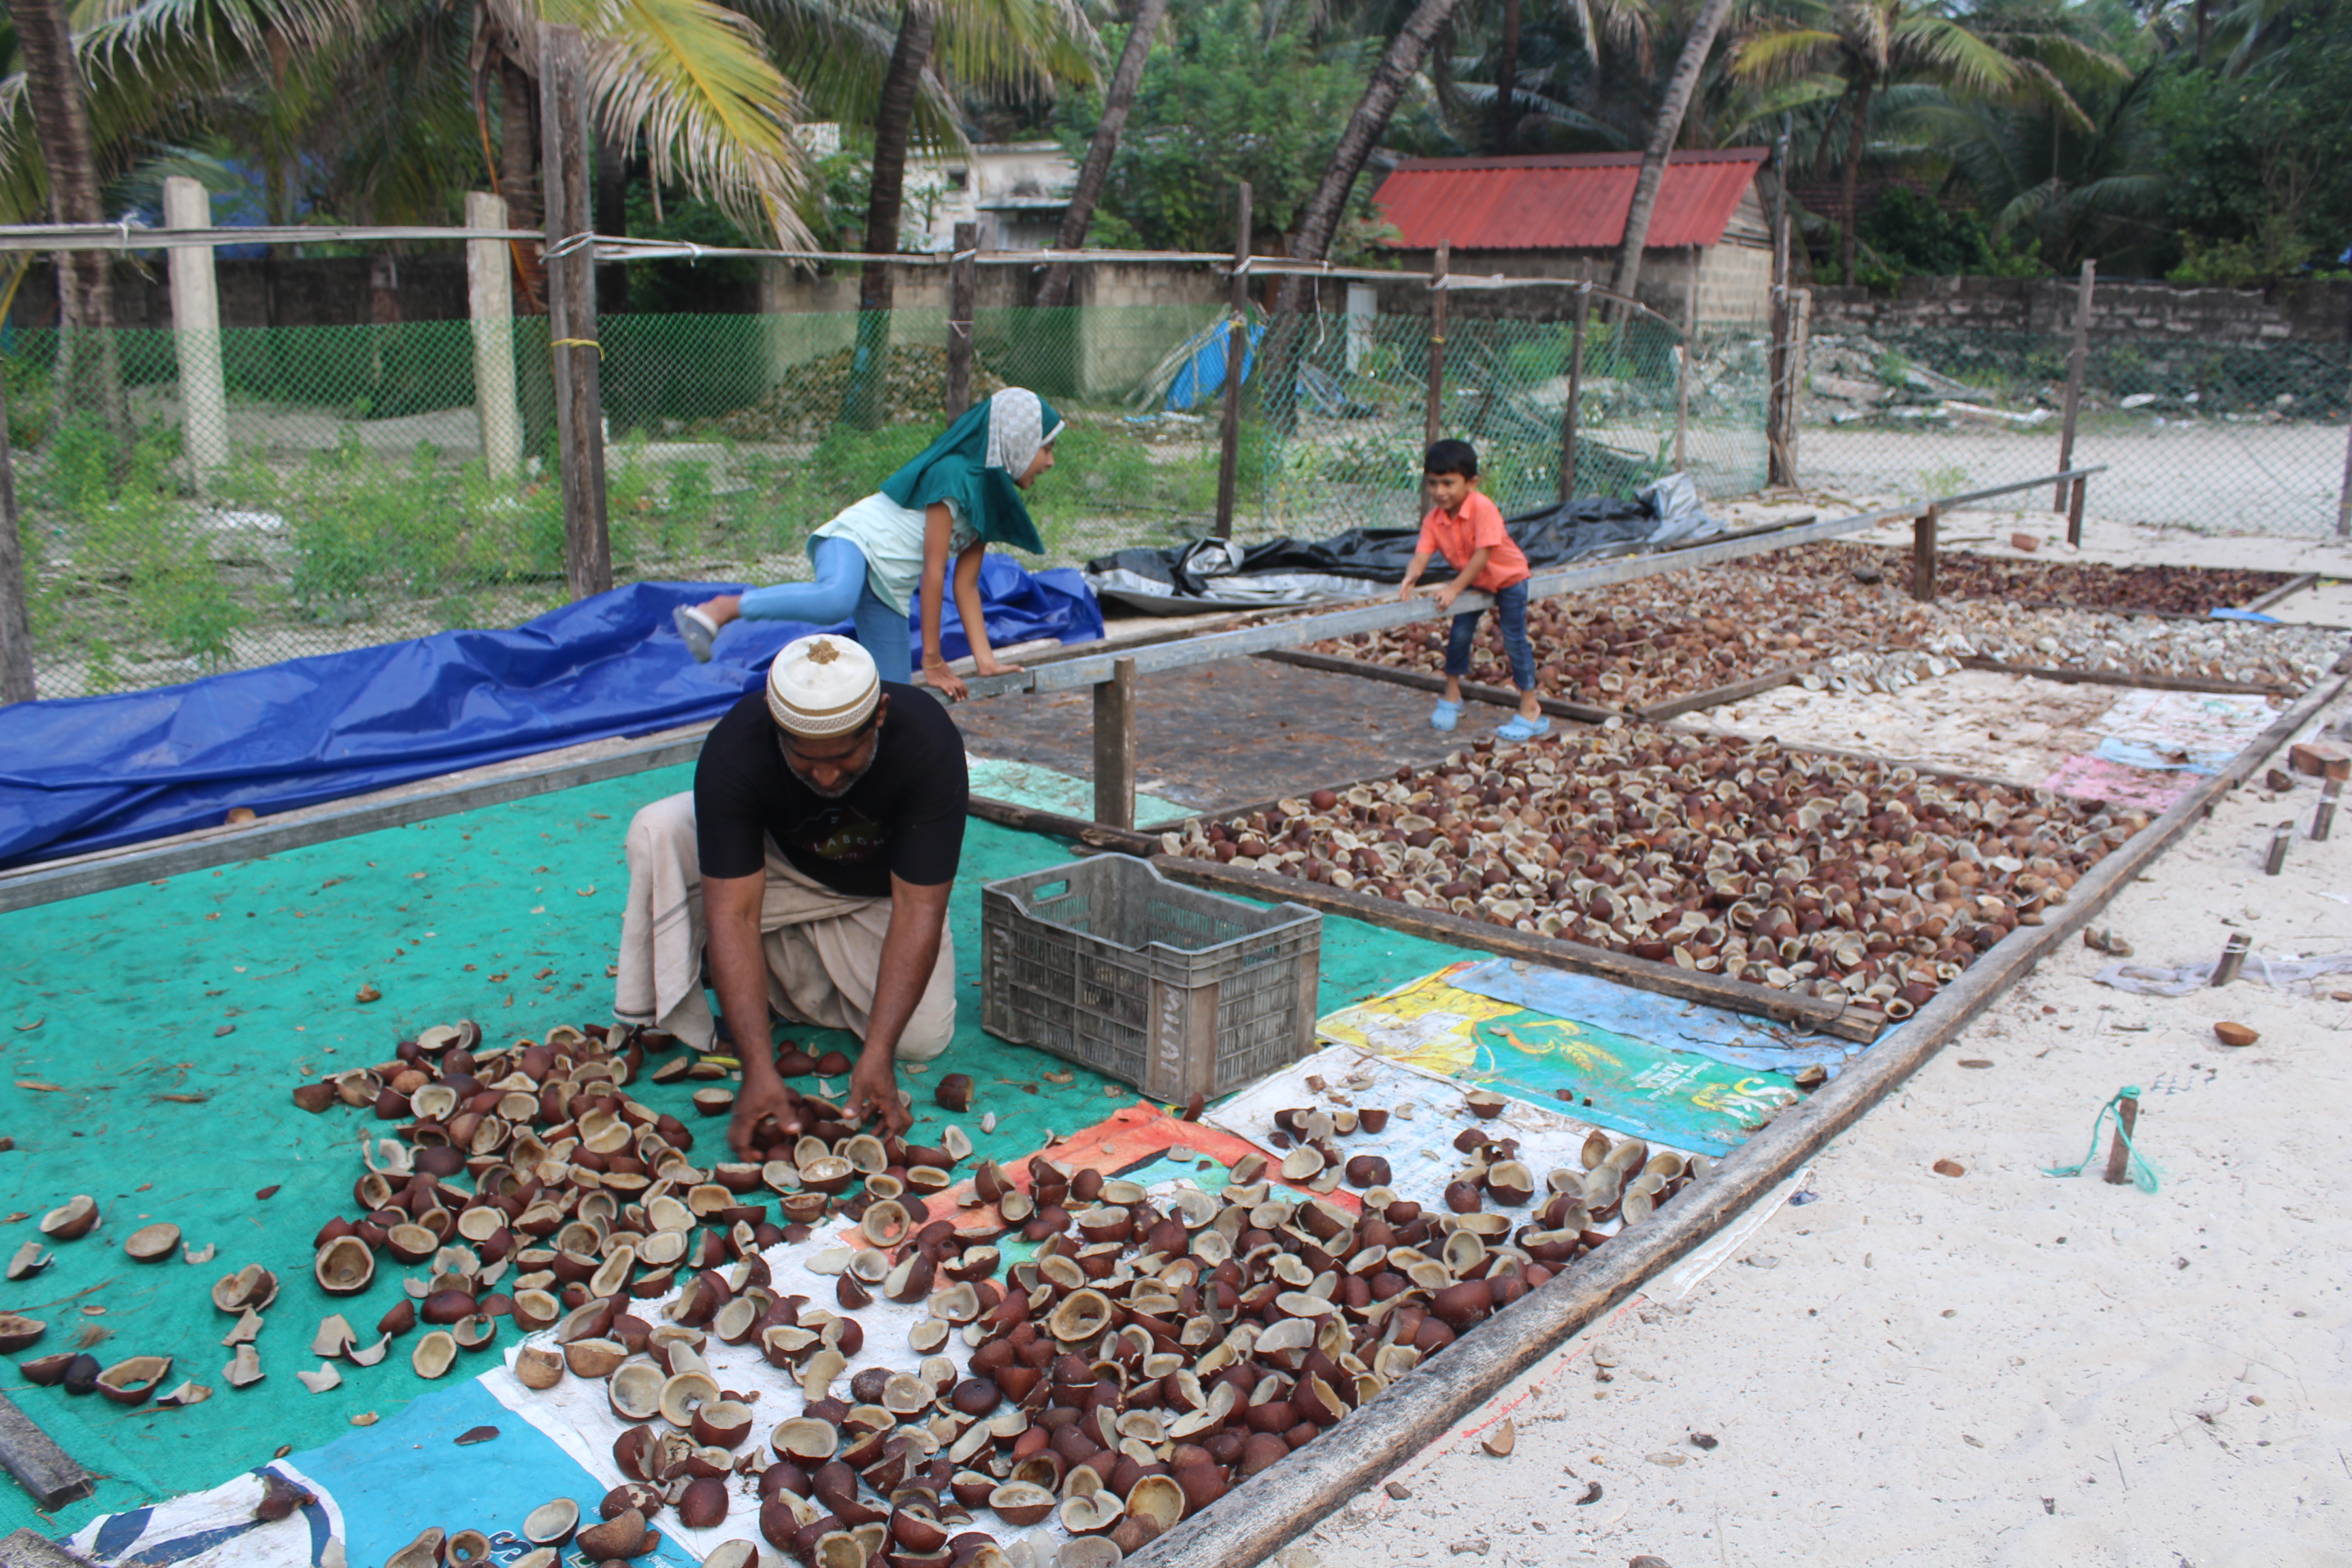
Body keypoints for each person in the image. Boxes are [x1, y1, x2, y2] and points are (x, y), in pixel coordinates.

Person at [612, 632, 967, 1149]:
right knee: (659, 828)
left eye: (845, 757)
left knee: (922, 1040)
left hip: (875, 890)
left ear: (881, 715)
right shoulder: (738, 745)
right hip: (771, 865)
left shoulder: (927, 743)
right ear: (777, 728)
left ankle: (776, 973)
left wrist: (879, 1053)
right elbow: (733, 914)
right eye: (805, 760)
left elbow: (918, 907)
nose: (825, 775)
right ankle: (750, 980)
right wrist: (757, 1066)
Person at [672, 387, 1063, 700]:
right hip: (854, 543)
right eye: (1045, 448)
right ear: (1017, 440)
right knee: (834, 601)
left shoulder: (991, 500)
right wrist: (932, 658)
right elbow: (934, 571)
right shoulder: (954, 474)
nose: (1050, 463)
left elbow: (965, 585)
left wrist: (986, 662)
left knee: (894, 700)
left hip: (887, 588)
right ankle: (722, 609)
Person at [1395, 438, 1548, 742]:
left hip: (1508, 578)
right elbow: (1422, 554)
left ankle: (1531, 707)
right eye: (1433, 484)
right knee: (1460, 634)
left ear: (1472, 482)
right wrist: (1411, 576)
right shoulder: (1434, 519)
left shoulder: (1482, 508)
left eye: (1448, 483)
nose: (1440, 492)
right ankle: (1452, 696)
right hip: (1475, 582)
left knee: (1514, 639)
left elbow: (1483, 556)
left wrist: (1453, 588)